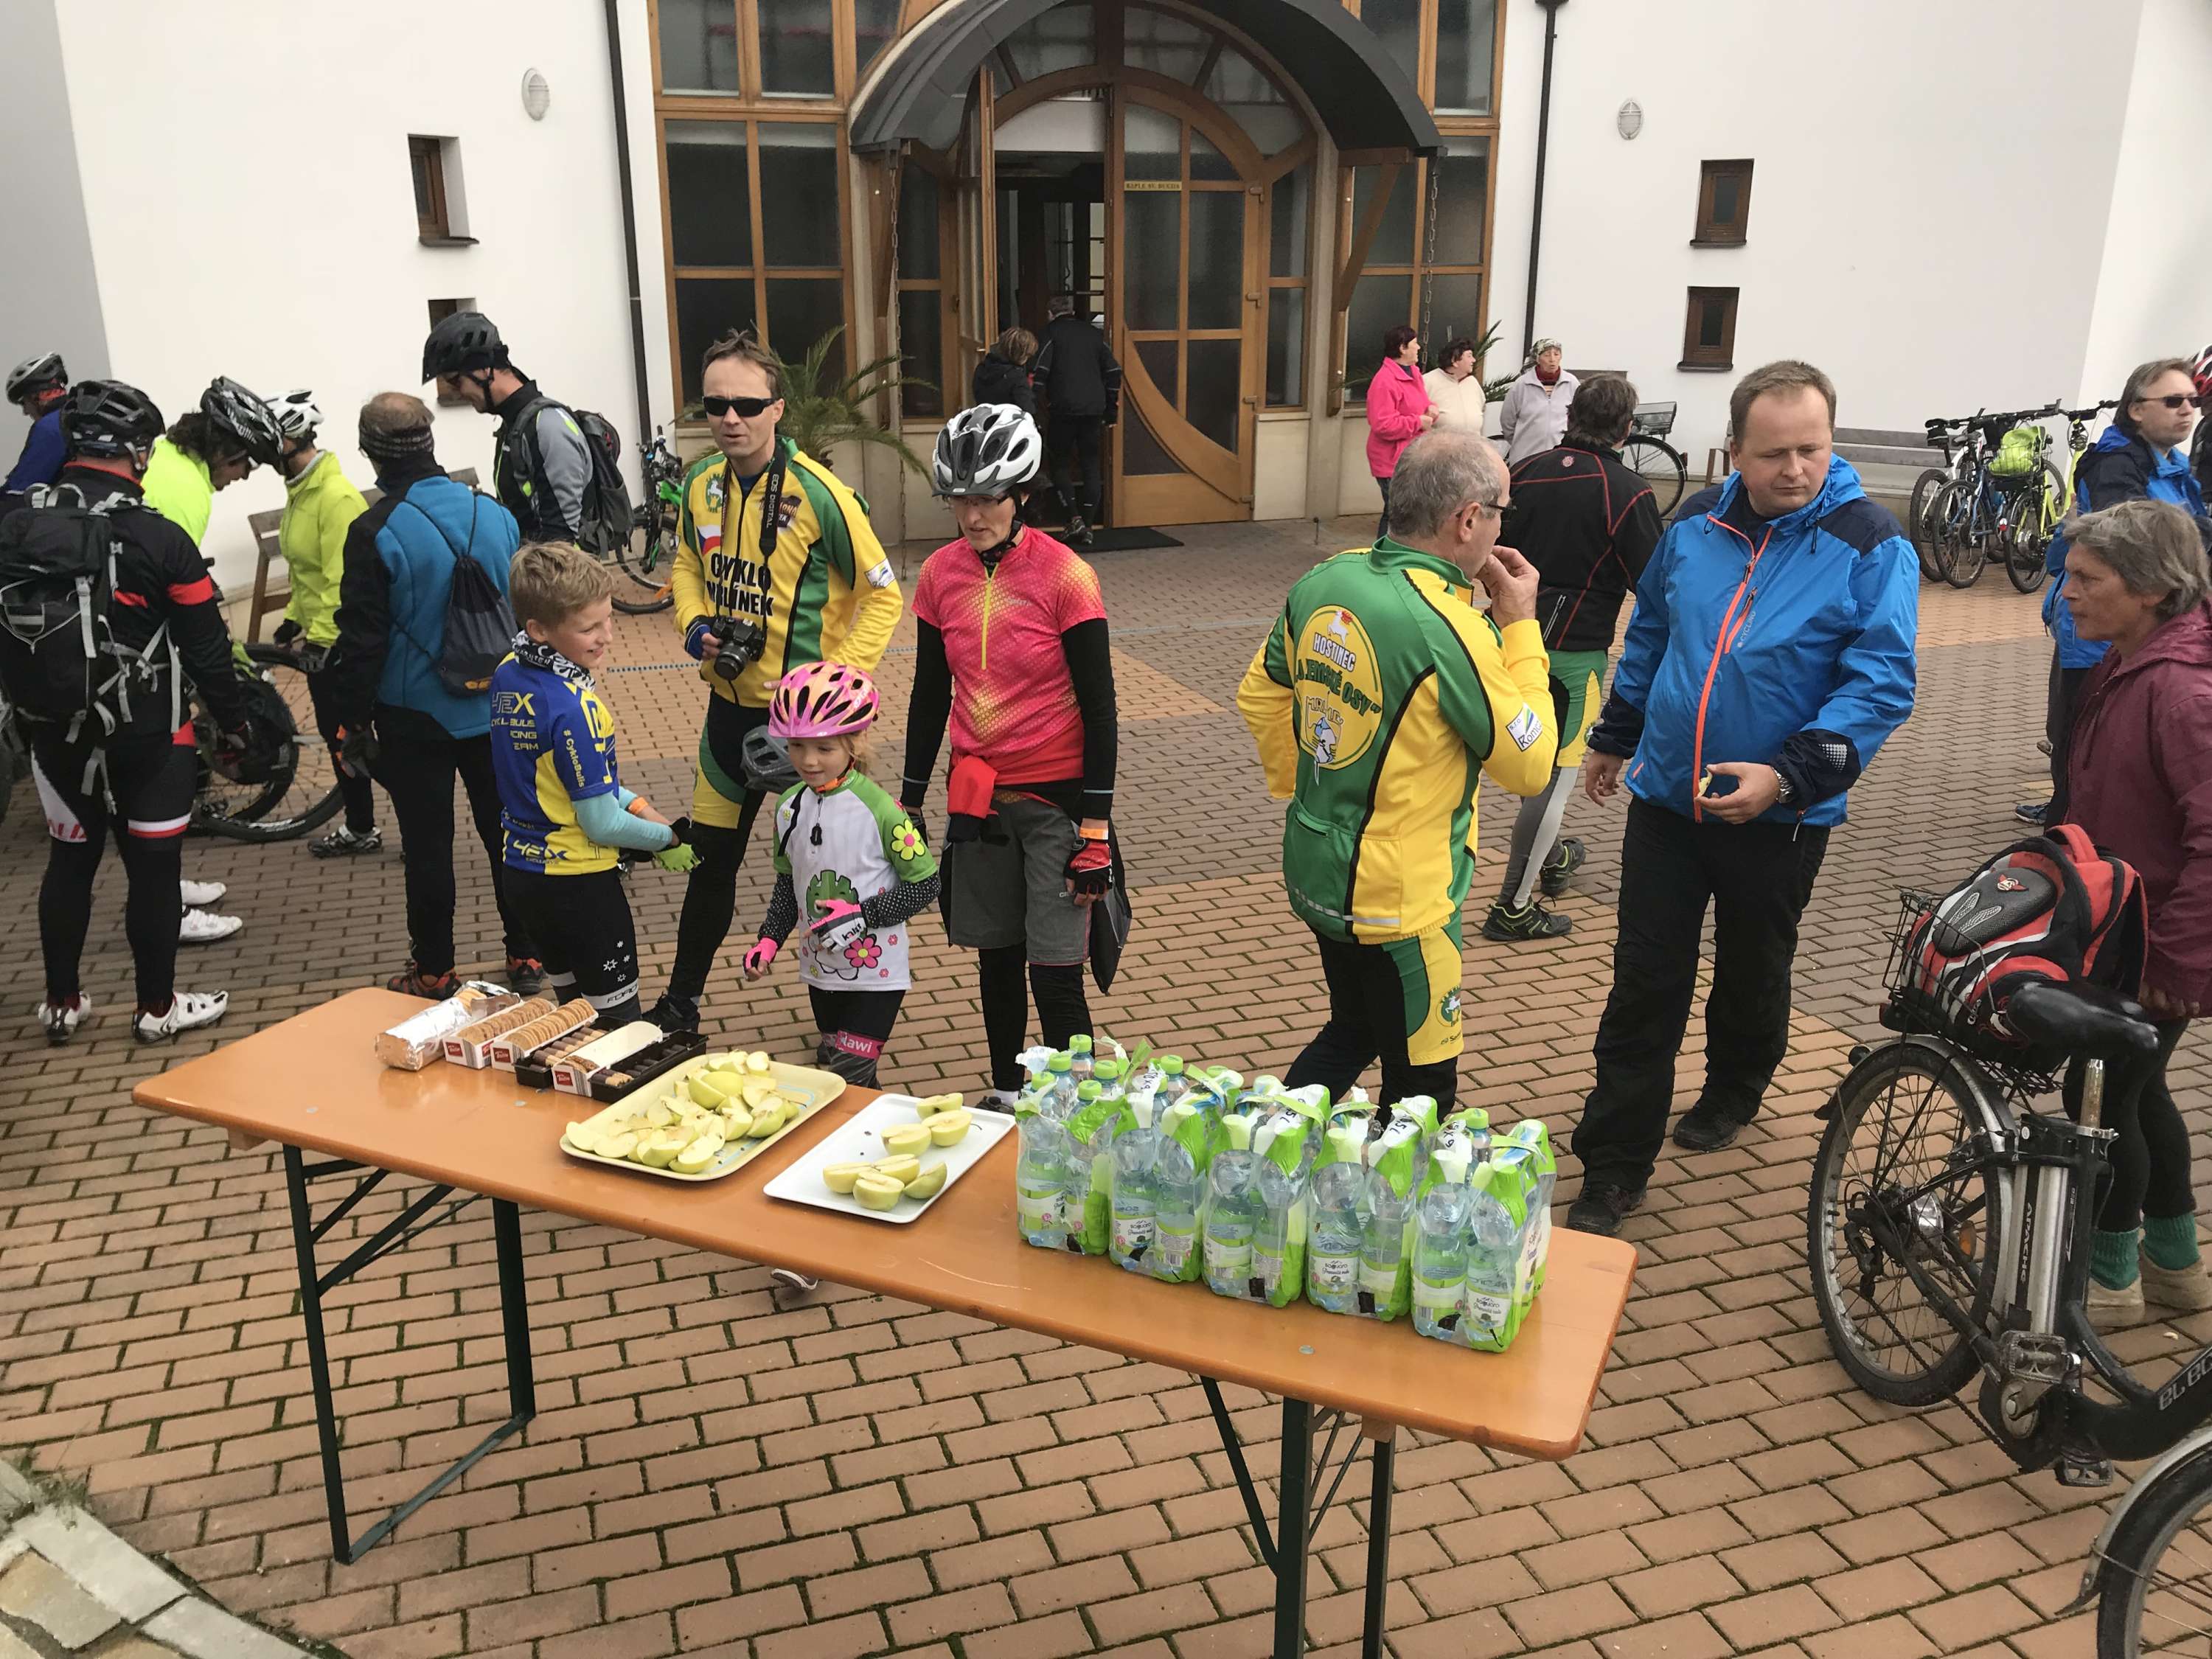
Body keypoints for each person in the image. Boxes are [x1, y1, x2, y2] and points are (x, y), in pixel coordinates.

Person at [1567, 361, 1919, 1236]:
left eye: (1812, 449)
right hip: (1667, 801)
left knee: (1753, 967)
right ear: (1733, 451)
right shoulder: (1693, 525)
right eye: (1773, 454)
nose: (1795, 469)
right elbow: (1652, 633)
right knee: (1646, 980)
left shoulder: (1871, 544)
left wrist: (1788, 777)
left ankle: (1734, 1087)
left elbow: (1878, 684)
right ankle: (1613, 1166)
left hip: (1780, 814)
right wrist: (1615, 735)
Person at [1237, 430, 1557, 1109]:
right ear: (1468, 519)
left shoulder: (1329, 576)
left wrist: (1318, 790)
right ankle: (1310, 1164)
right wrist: (1520, 626)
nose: (1501, 528)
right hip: (1403, 901)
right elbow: (1531, 766)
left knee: (1354, 1028)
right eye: (1501, 513)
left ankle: (1260, 1150)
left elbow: (1262, 691)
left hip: (1319, 868)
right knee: (1422, 1087)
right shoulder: (1452, 628)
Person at [1, 380, 271, 1044]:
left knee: (70, 862)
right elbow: (207, 650)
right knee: (154, 870)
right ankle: (156, 1009)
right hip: (151, 731)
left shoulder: (15, 528)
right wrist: (235, 725)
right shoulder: (160, 536)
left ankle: (62, 1002)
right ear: (138, 453)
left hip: (53, 730)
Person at [657, 330, 902, 1032]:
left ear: (777, 409)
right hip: (728, 715)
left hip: (809, 734)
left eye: (746, 404)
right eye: (715, 405)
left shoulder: (822, 494)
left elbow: (884, 595)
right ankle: (680, 1004)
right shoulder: (700, 484)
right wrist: (693, 623)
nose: (730, 418)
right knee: (710, 865)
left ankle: (849, 1024)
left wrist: (832, 683)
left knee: (831, 876)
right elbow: (685, 565)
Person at [902, 403, 1117, 1104]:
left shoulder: (1066, 576)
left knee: (1055, 973)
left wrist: (1096, 831)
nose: (972, 515)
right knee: (996, 963)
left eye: (989, 497)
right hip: (981, 800)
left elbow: (1101, 709)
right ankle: (1006, 1097)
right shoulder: (939, 575)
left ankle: (1079, 1117)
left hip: (1057, 800)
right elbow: (929, 693)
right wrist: (909, 800)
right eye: (960, 498)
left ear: (1022, 493)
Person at [2053, 498, 2212, 1326]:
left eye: (2087, 578)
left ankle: (2108, 1277)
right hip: (2122, 930)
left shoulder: (2182, 692)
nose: (2067, 592)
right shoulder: (2131, 661)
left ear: (2151, 588)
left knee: (2101, 1096)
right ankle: (2177, 1268)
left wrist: (2174, 963)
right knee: (2139, 1093)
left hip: (2154, 944)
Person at [325, 392, 539, 998]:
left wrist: (351, 722)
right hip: (500, 707)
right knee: (511, 835)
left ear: (370, 453)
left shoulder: (374, 530)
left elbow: (361, 640)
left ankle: (435, 970)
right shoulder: (494, 514)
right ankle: (527, 954)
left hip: (415, 714)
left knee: (427, 848)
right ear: (430, 440)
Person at [1484, 373, 1664, 942]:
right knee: (1553, 780)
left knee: (1499, 759)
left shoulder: (1522, 472)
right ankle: (1513, 907)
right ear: (1627, 428)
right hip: (1571, 654)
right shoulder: (1628, 491)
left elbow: (1482, 550)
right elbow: (1655, 587)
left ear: (1569, 414)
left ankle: (1554, 854)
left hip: (1499, 638)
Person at [491, 544, 697, 1025]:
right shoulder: (577, 709)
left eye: (608, 619)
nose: (607, 636)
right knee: (619, 1034)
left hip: (522, 875)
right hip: (581, 888)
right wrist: (668, 840)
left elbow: (561, 779)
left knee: (574, 1022)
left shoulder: (508, 671)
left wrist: (641, 807)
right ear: (539, 629)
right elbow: (601, 822)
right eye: (589, 628)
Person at [2025, 356, 2209, 826]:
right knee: (2081, 752)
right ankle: (2066, 842)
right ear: (2136, 409)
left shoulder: (2174, 464)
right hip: (2101, 636)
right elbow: (2136, 544)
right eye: (2173, 400)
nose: (2187, 410)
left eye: (2193, 401)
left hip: (2158, 631)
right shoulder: (2114, 465)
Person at [744, 662, 939, 1088]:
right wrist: (769, 939)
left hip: (876, 972)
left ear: (855, 744)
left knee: (850, 1080)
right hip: (819, 968)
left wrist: (863, 915)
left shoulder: (882, 810)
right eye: (796, 746)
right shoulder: (788, 807)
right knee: (848, 1079)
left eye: (825, 748)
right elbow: (788, 884)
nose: (808, 760)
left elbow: (926, 884)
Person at [265, 389, 380, 858]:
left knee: (358, 739)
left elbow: (341, 578)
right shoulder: (301, 492)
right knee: (340, 739)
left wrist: (324, 641)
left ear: (290, 440)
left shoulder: (335, 497)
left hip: (343, 642)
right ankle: (361, 827)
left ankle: (418, 828)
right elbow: (305, 571)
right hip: (322, 637)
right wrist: (294, 620)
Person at [420, 310, 596, 546]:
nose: (456, 392)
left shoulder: (547, 427)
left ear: (484, 370)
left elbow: (561, 541)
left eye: (455, 381)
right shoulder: (516, 423)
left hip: (555, 568)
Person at [141, 378, 282, 551]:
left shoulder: (159, 449)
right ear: (224, 453)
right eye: (249, 466)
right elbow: (177, 567)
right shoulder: (189, 494)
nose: (244, 477)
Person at [1032, 296, 1121, 546]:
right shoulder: (1093, 334)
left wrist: (1033, 408)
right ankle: (1089, 525)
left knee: (1060, 463)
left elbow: (1040, 372)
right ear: (1072, 312)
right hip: (1094, 409)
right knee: (1091, 464)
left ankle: (1074, 518)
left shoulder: (1050, 334)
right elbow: (1114, 371)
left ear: (1050, 314)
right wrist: (1111, 410)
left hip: (1063, 409)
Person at [1365, 324, 1435, 540]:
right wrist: (1417, 422)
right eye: (1414, 344)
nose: (1419, 347)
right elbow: (1382, 424)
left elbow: (1419, 404)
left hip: (1411, 456)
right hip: (1391, 460)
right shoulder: (1384, 381)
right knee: (1396, 513)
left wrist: (1431, 409)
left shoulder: (1414, 373)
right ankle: (1384, 553)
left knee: (1404, 513)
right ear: (1402, 348)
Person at [1498, 338, 1577, 466]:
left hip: (1559, 458)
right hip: (1526, 456)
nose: (1552, 359)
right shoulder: (1522, 384)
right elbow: (1508, 421)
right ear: (1537, 358)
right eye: (1547, 355)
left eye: (1556, 354)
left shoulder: (1571, 383)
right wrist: (1522, 441)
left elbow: (1579, 417)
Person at [4, 352, 69, 507]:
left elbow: (20, 490)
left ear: (36, 397)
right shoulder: (73, 416)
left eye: (23, 403)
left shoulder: (50, 426)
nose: (25, 412)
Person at [1423, 337, 1487, 434]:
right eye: (1469, 356)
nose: (1474, 360)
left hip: (1473, 442)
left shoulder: (1473, 383)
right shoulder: (1428, 381)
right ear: (1454, 360)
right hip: (1439, 443)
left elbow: (1482, 408)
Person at [973, 327, 1039, 416]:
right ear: (1022, 355)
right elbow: (1028, 411)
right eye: (1028, 356)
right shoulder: (1017, 378)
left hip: (982, 419)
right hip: (1008, 422)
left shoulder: (982, 368)